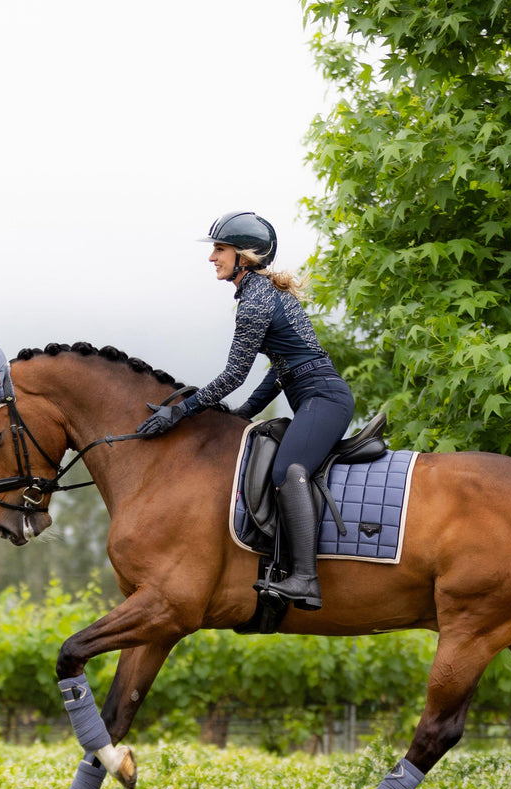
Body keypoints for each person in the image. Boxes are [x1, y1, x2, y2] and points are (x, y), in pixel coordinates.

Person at [137, 210, 355, 611]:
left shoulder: (256, 301)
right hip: (316, 396)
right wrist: (242, 413)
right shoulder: (264, 293)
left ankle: (306, 579)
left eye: (219, 249)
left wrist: (180, 413)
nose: (211, 258)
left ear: (245, 255)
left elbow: (235, 373)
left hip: (324, 399)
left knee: (287, 472)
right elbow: (280, 369)